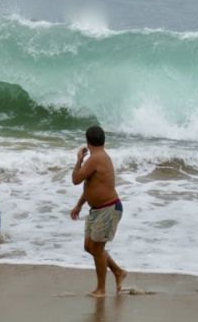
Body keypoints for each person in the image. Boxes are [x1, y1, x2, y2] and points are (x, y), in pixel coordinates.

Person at [70, 125, 127, 297]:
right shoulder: (99, 157)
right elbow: (91, 186)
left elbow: (76, 179)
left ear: (87, 142)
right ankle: (118, 271)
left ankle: (101, 289)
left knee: (97, 248)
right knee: (89, 246)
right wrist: (79, 204)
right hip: (98, 209)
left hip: (108, 209)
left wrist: (78, 160)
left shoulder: (96, 158)